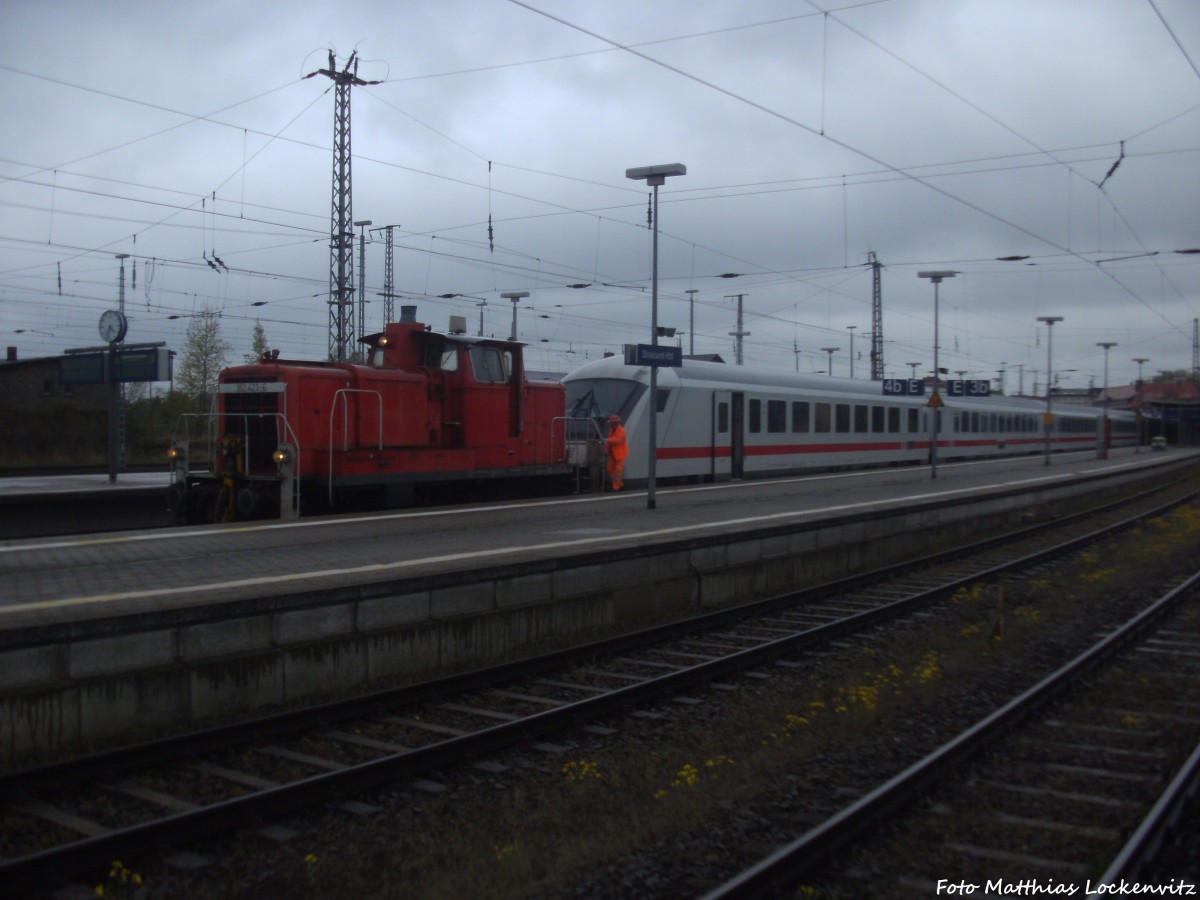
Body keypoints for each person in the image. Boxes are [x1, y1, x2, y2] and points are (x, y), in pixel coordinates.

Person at [604, 414, 628, 491]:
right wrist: (606, 449)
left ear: (616, 423)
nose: (610, 424)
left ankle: (616, 486)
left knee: (618, 469)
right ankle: (619, 483)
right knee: (609, 468)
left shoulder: (622, 431)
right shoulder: (611, 430)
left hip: (620, 454)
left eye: (611, 423)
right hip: (612, 454)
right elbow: (609, 442)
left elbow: (616, 440)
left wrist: (607, 440)